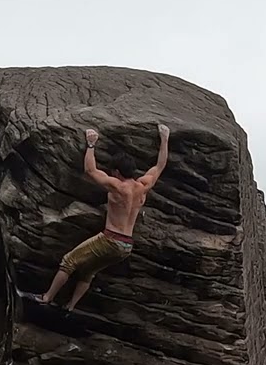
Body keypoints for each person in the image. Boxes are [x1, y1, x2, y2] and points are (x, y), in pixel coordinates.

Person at [30, 123, 169, 311]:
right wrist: (165, 138)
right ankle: (69, 308)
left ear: (117, 172)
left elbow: (90, 171)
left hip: (110, 239)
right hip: (126, 245)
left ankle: (46, 298)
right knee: (88, 272)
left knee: (69, 261)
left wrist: (91, 144)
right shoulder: (143, 186)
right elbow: (159, 166)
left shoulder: (118, 186)